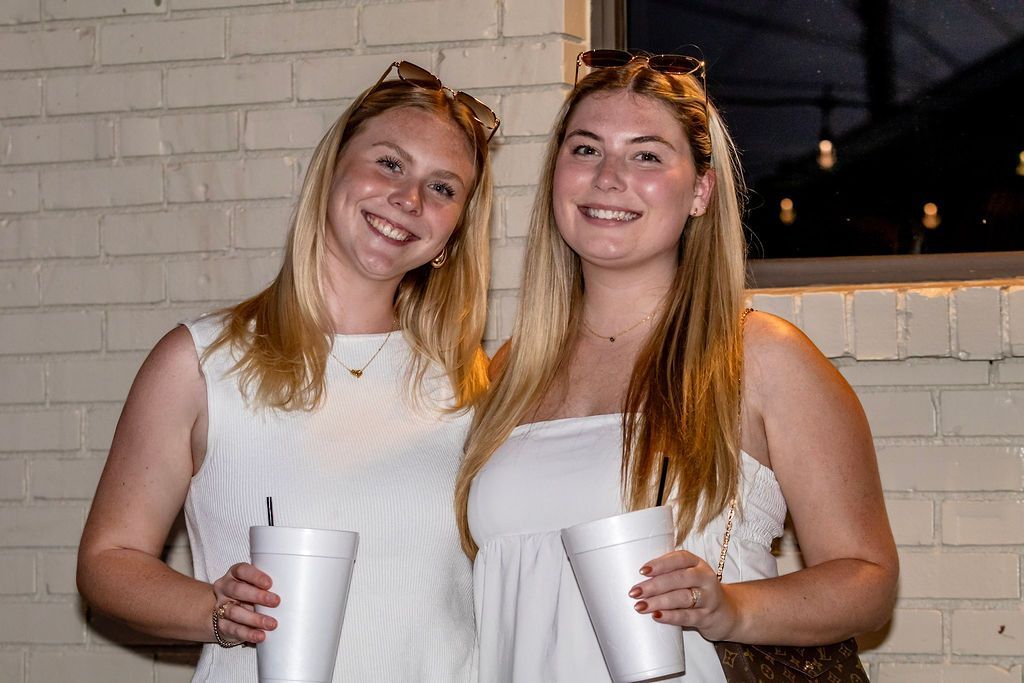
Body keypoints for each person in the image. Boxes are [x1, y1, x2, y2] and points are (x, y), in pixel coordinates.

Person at [455, 51, 898, 682]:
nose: (609, 177)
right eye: (585, 149)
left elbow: (869, 580)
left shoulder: (759, 355)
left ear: (700, 190)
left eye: (646, 155)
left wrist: (730, 609)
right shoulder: (507, 371)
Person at [78, 60, 498, 682]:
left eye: (443, 188)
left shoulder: (471, 384)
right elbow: (108, 561)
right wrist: (215, 610)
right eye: (389, 163)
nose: (408, 198)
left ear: (452, 236)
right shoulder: (201, 360)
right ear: (331, 171)